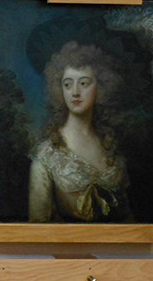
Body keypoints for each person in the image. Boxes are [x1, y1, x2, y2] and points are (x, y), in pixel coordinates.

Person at [28, 41, 134, 223]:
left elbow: (126, 219)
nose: (75, 92)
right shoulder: (47, 154)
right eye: (67, 85)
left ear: (100, 87)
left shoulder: (109, 145)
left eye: (84, 83)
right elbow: (38, 223)